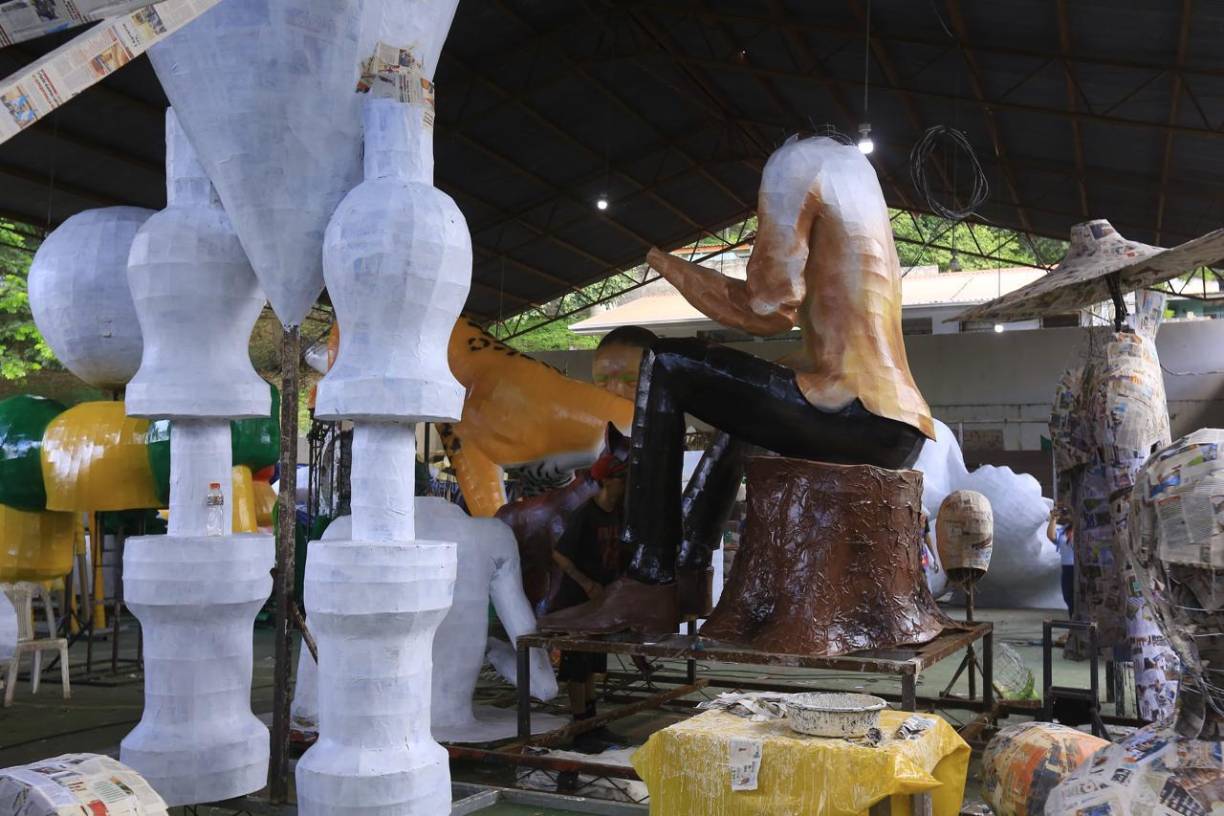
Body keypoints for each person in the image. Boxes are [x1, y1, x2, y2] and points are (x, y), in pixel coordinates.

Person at [540, 135, 934, 635]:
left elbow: (764, 305)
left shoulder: (797, 162)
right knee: (741, 411)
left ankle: (648, 579)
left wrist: (666, 266)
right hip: (897, 423)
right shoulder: (859, 180)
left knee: (665, 363)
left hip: (854, 413)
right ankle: (687, 563)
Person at [545, 446, 630, 741]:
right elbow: (560, 555)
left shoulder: (618, 515)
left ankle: (591, 722)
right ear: (607, 481)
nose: (626, 484)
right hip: (577, 603)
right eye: (622, 478)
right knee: (576, 666)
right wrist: (586, 583)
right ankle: (579, 724)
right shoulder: (586, 514)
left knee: (593, 664)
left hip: (600, 604)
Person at [1047, 506, 1075, 618]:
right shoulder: (1065, 529)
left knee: (1077, 598)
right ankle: (1073, 622)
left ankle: (1075, 624)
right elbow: (1052, 536)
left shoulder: (1083, 529)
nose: (1067, 515)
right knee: (1068, 596)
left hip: (1078, 568)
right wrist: (1053, 519)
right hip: (1067, 568)